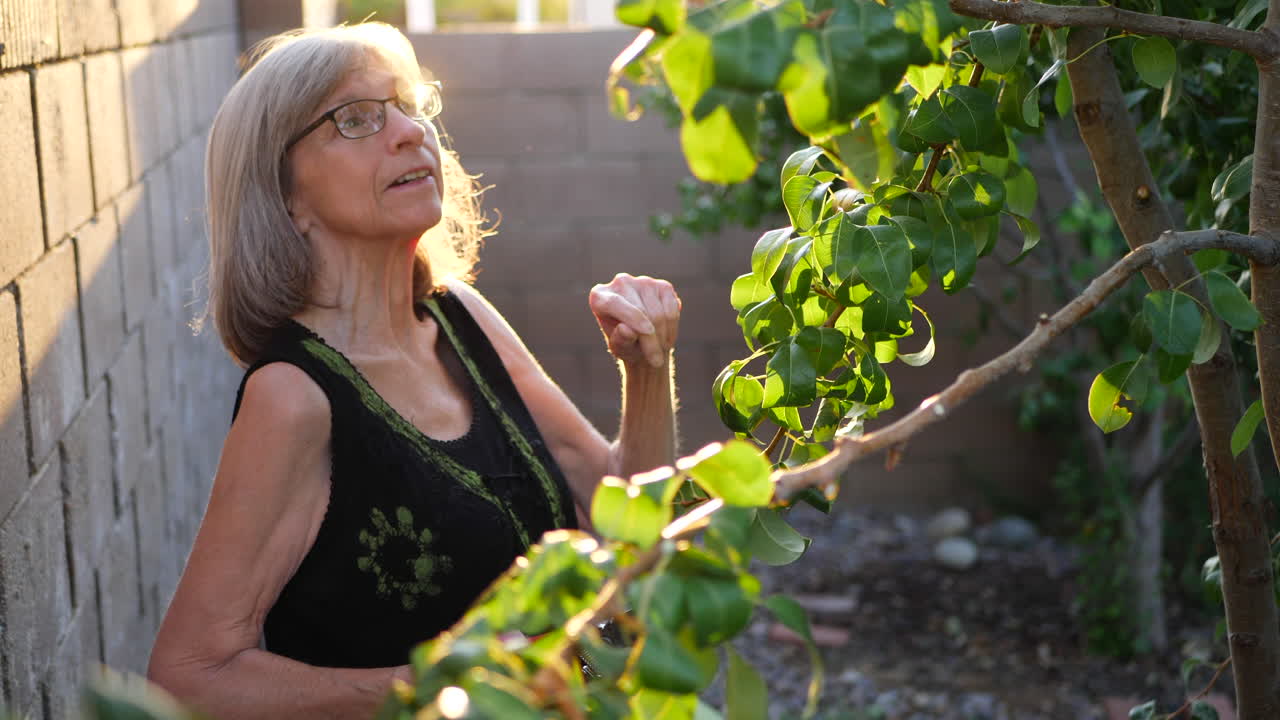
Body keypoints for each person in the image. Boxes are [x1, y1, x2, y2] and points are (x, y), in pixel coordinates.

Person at [147, 22, 680, 719]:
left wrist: (646, 371)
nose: (409, 132)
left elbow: (624, 517)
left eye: (408, 105)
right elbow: (188, 678)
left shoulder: (460, 317)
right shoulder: (296, 397)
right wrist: (444, 683)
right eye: (357, 119)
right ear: (285, 198)